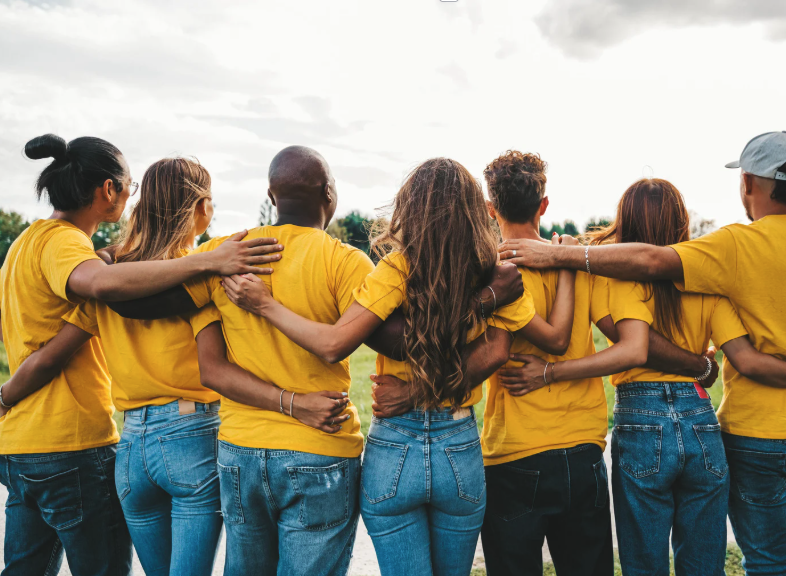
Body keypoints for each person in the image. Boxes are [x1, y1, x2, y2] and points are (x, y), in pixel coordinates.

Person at [107, 150, 523, 576]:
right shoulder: (346, 261)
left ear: (271, 194)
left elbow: (143, 305)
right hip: (322, 449)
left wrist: (109, 269)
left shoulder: (227, 253)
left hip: (241, 449)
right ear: (329, 194)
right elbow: (426, 345)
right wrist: (483, 300)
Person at [498, 132, 786, 575]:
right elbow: (733, 355)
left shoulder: (733, 247)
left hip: (746, 431)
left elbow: (649, 277)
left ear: (748, 182)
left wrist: (566, 259)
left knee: (762, 561)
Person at [220, 157, 558, 576]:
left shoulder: (397, 268)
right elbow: (493, 354)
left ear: (409, 211)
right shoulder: (496, 275)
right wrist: (483, 300)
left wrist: (265, 304)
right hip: (459, 445)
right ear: (476, 211)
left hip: (395, 445)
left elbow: (335, 343)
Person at [0, 134, 282, 576]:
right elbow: (99, 291)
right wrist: (207, 261)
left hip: (92, 444)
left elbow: (62, 335)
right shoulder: (74, 253)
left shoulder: (29, 247)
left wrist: (5, 396)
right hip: (109, 437)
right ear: (108, 190)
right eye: (125, 187)